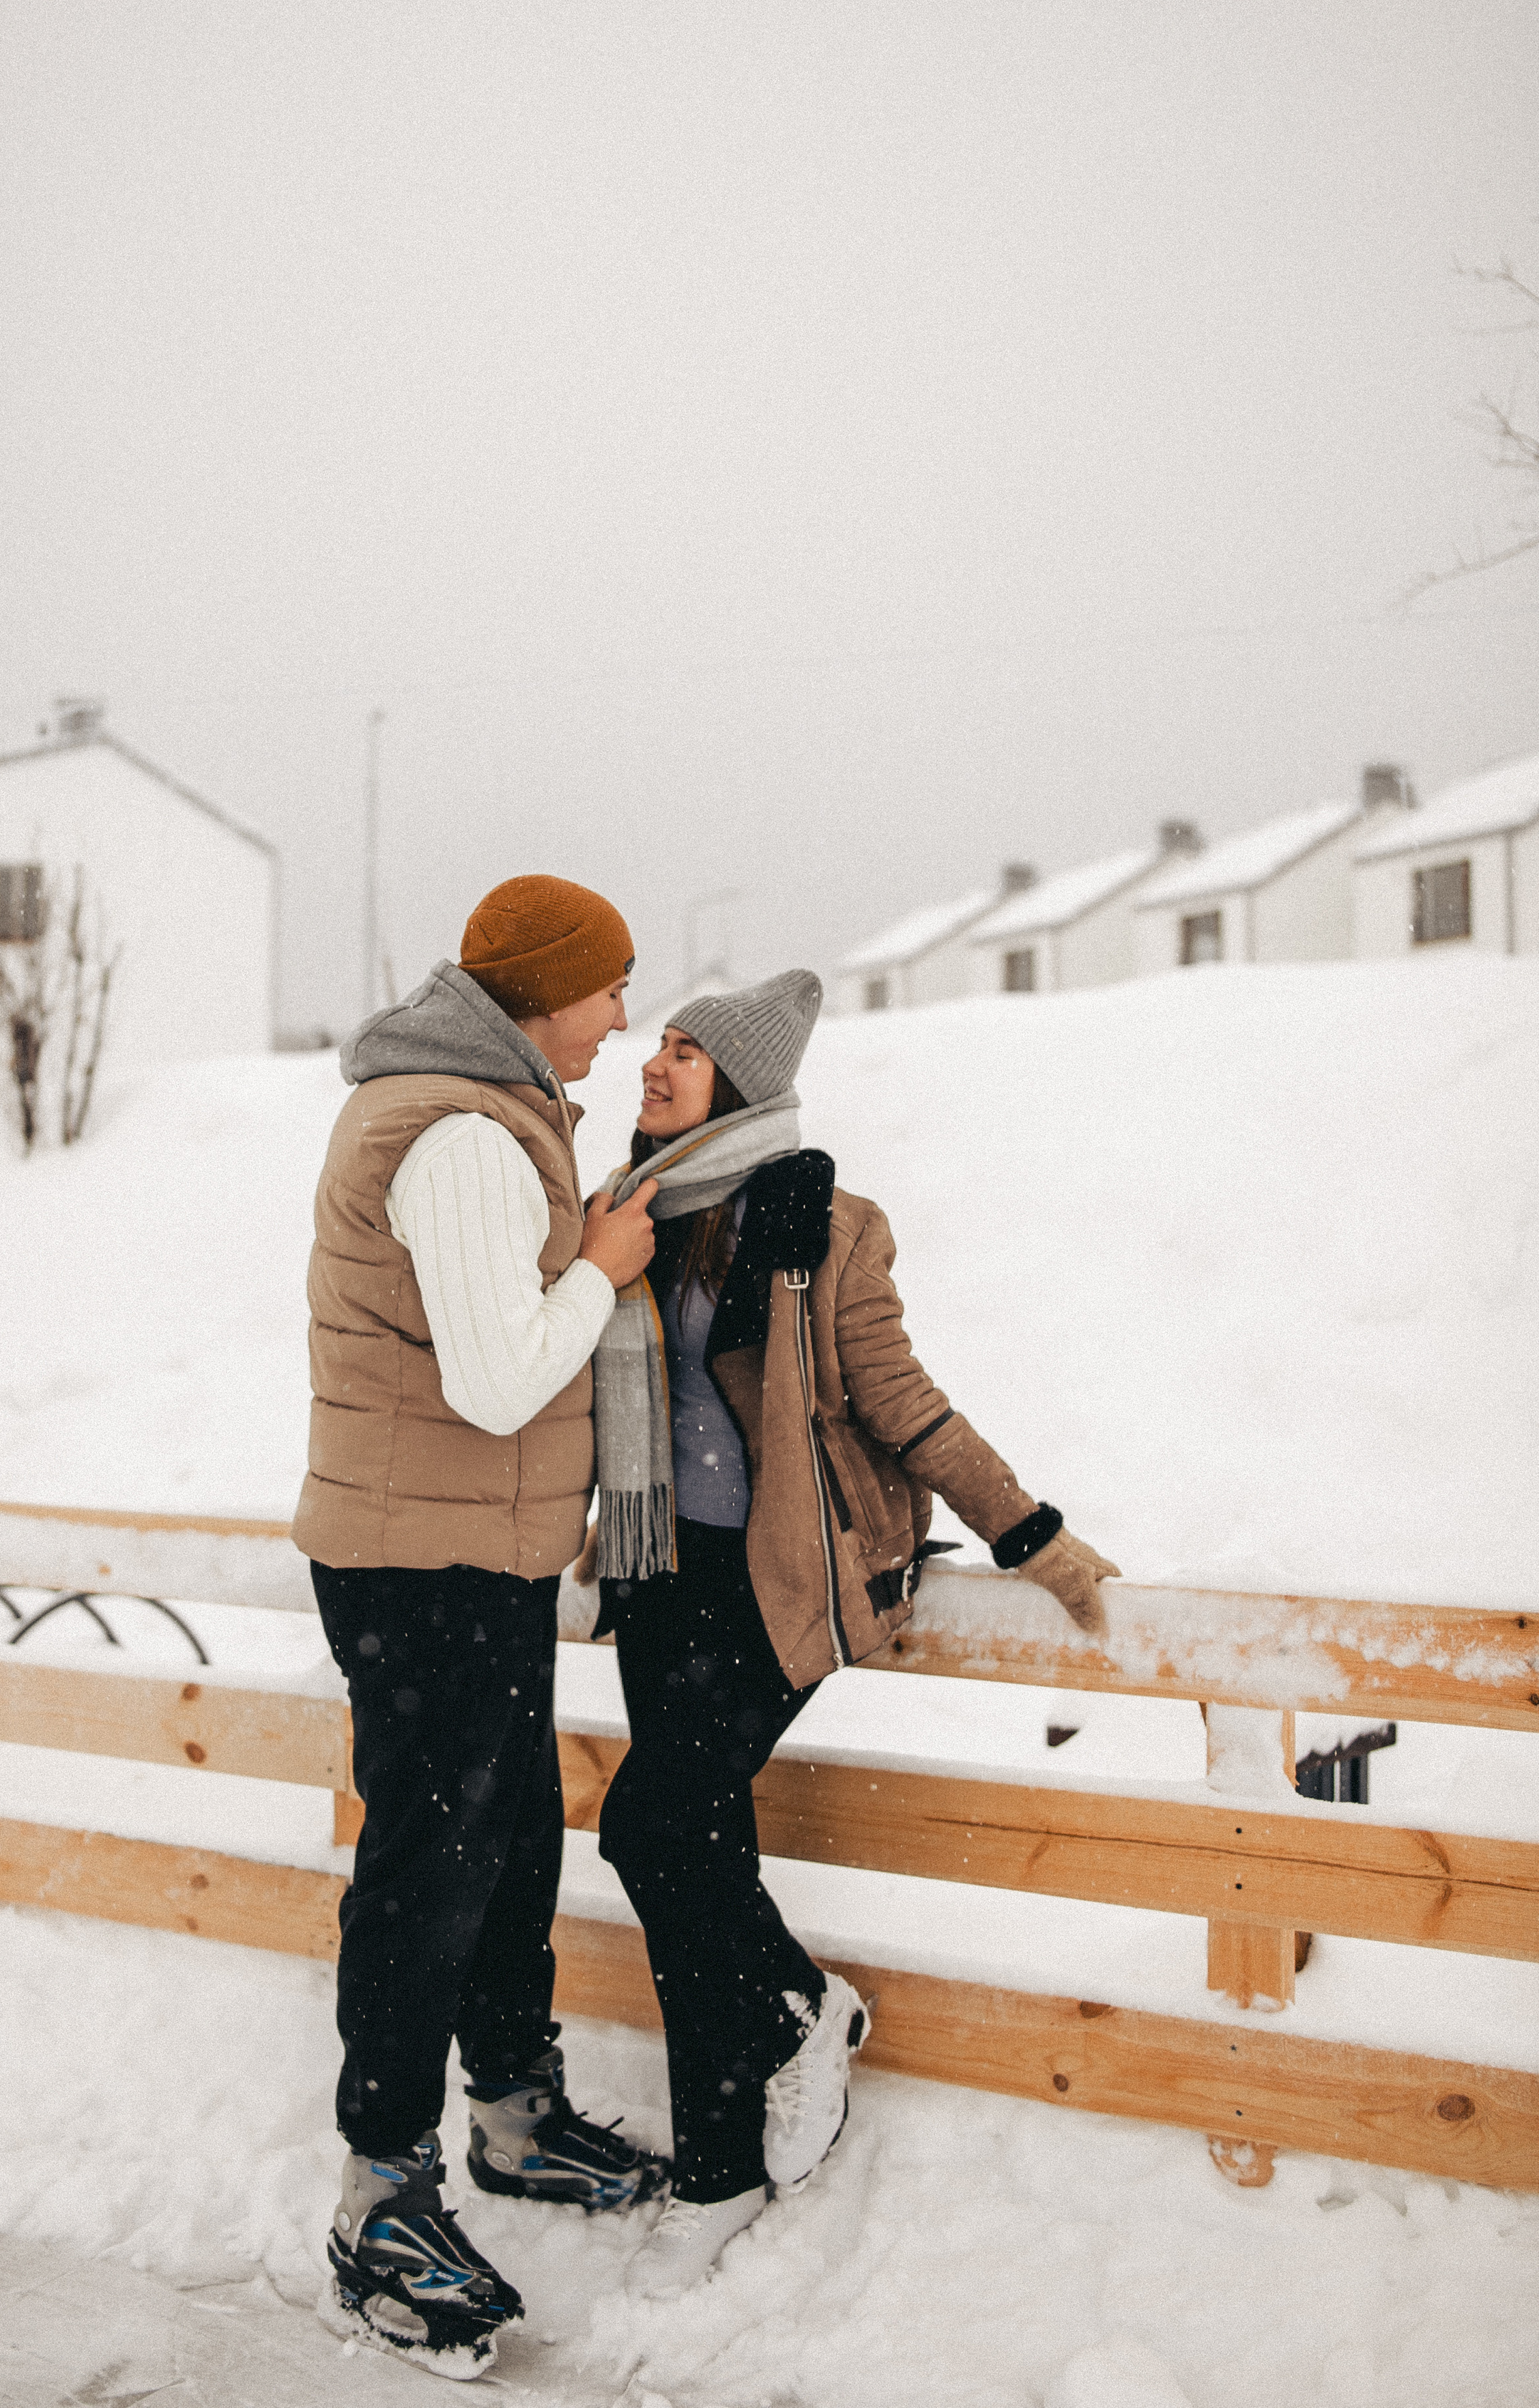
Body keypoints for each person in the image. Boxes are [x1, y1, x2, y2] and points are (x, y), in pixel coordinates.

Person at [584, 969, 1121, 2298]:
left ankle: (805, 2011)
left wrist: (1028, 1532)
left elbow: (901, 1406)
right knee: (687, 1859)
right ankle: (715, 2159)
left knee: (648, 1829)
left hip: (775, 1584)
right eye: (653, 1045)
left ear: (746, 1085)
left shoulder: (823, 1224)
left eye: (687, 1055)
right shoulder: (621, 1215)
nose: (654, 1066)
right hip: (656, 1572)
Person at [291, 874, 666, 2381]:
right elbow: (498, 1380)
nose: (624, 1020)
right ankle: (379, 2197)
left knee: (507, 1843)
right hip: (418, 1565)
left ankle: (511, 2114)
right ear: (542, 993)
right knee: (428, 1865)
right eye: (609, 989)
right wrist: (601, 1267)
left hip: (474, 1555)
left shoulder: (491, 1117)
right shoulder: (456, 1134)